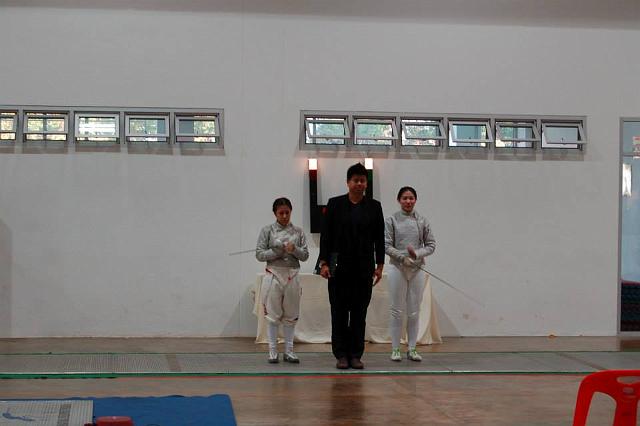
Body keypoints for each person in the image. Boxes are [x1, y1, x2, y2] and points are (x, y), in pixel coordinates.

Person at [318, 163, 385, 370]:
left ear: (366, 183)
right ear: (348, 182)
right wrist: (323, 263)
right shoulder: (335, 204)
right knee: (338, 313)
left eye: (362, 180)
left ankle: (355, 355)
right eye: (355, 180)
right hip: (338, 268)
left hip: (364, 268)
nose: (359, 184)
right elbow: (326, 236)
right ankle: (341, 355)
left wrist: (380, 264)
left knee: (359, 314)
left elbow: (379, 238)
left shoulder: (374, 207)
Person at [385, 186, 436, 362]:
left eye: (411, 198)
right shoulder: (391, 220)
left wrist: (417, 254)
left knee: (414, 311)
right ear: (399, 200)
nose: (408, 201)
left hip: (416, 269)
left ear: (415, 200)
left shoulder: (422, 221)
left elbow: (431, 245)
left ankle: (412, 348)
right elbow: (386, 245)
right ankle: (395, 349)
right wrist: (402, 257)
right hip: (397, 268)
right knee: (396, 310)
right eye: (405, 198)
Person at [256, 197, 309, 364]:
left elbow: (305, 255)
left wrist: (295, 249)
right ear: (275, 213)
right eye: (281, 213)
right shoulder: (267, 231)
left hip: (292, 274)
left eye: (287, 212)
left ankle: (289, 351)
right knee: (272, 314)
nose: (285, 216)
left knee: (291, 314)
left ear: (291, 212)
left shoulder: (298, 232)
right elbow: (259, 254)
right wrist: (276, 252)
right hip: (273, 273)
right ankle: (272, 351)